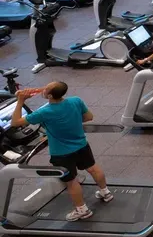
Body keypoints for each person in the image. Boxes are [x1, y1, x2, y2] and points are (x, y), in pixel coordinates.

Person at [10, 82, 112, 221]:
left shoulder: (44, 112)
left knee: (71, 182)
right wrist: (72, 122)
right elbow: (89, 117)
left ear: (50, 95)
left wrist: (20, 101)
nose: (43, 88)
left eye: (46, 88)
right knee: (93, 168)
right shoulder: (76, 100)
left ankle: (82, 210)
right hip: (82, 145)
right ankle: (105, 192)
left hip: (62, 153)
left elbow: (15, 122)